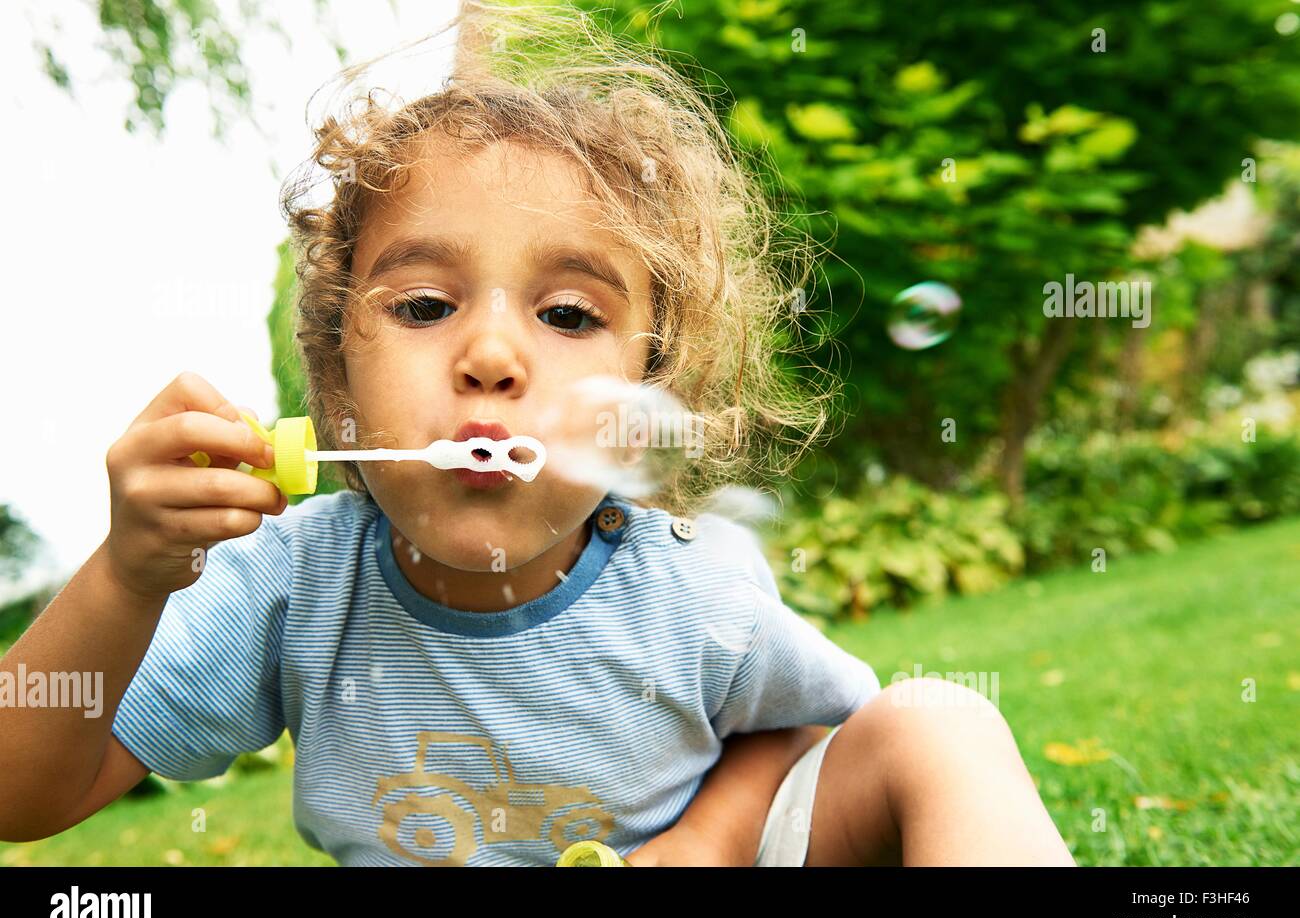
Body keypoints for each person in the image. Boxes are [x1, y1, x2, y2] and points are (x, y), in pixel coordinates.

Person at [0, 0, 1073, 866]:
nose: (492, 357)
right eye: (424, 307)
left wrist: (705, 841)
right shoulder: (284, 586)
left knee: (938, 723)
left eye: (567, 315)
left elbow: (802, 729)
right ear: (336, 384)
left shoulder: (692, 593)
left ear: (645, 391)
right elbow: (21, 793)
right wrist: (129, 576)